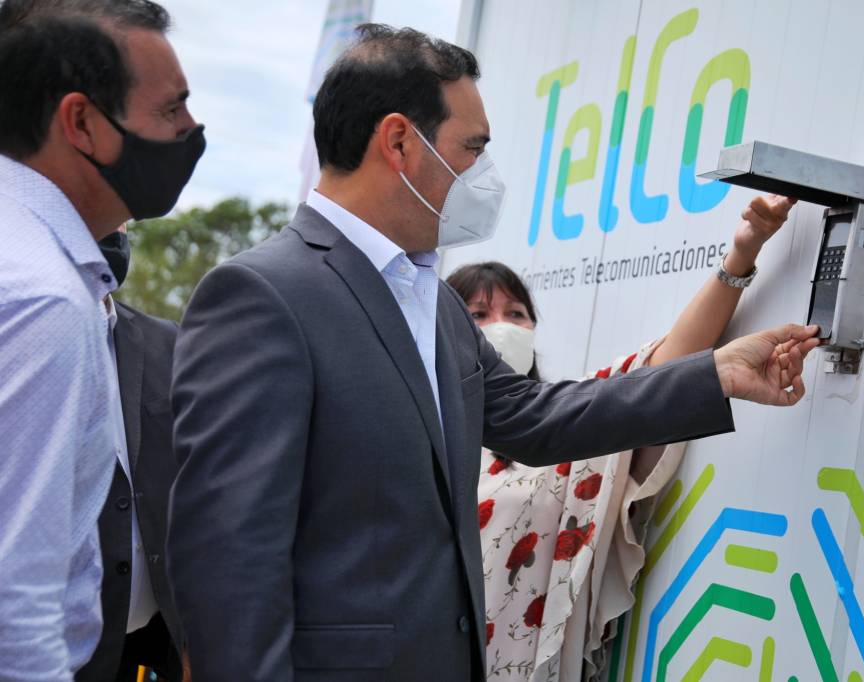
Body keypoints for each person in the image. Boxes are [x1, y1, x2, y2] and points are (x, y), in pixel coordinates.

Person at [166, 24, 817, 681]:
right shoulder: (263, 296)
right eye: (471, 149)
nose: (483, 174)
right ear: (399, 142)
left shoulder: (431, 301)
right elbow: (228, 567)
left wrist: (715, 374)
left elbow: (535, 418)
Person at [448, 195, 796, 681]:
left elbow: (656, 378)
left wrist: (742, 253)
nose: (501, 327)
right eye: (478, 315)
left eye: (516, 313)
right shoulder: (421, 436)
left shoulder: (556, 429)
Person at [0, 1, 203, 678]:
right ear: (82, 122)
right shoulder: (44, 299)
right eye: (171, 108)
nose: (190, 129)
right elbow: (15, 601)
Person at [75, 226, 184, 682]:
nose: (113, 230)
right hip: (55, 654)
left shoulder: (168, 343)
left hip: (152, 649)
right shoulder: (20, 340)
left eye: (122, 221)